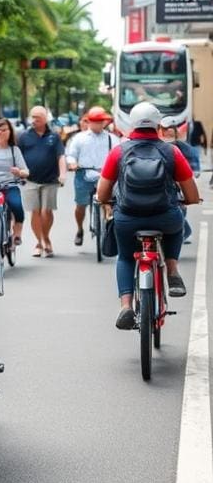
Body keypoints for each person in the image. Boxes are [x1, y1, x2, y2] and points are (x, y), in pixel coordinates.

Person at [96, 102, 200, 330]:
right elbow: (191, 192)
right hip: (165, 216)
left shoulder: (119, 152)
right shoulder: (172, 152)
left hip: (127, 219)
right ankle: (172, 270)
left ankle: (125, 306)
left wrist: (104, 201)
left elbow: (102, 192)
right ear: (158, 125)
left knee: (124, 257)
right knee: (177, 225)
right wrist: (189, 200)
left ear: (131, 123)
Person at [65, 107, 117, 246]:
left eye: (101, 121)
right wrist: (72, 163)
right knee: (81, 205)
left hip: (105, 175)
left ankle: (109, 226)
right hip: (84, 174)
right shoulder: (79, 138)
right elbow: (71, 155)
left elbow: (119, 154)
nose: (98, 124)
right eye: (95, 121)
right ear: (89, 122)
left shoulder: (112, 138)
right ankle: (80, 229)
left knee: (109, 201)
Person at [19, 106, 66, 257]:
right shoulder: (24, 136)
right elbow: (17, 156)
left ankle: (46, 238)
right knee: (35, 211)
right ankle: (40, 242)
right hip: (30, 180)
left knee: (47, 211)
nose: (33, 120)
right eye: (31, 117)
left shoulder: (54, 136)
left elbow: (61, 157)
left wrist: (63, 174)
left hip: (50, 180)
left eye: (37, 117)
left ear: (45, 119)